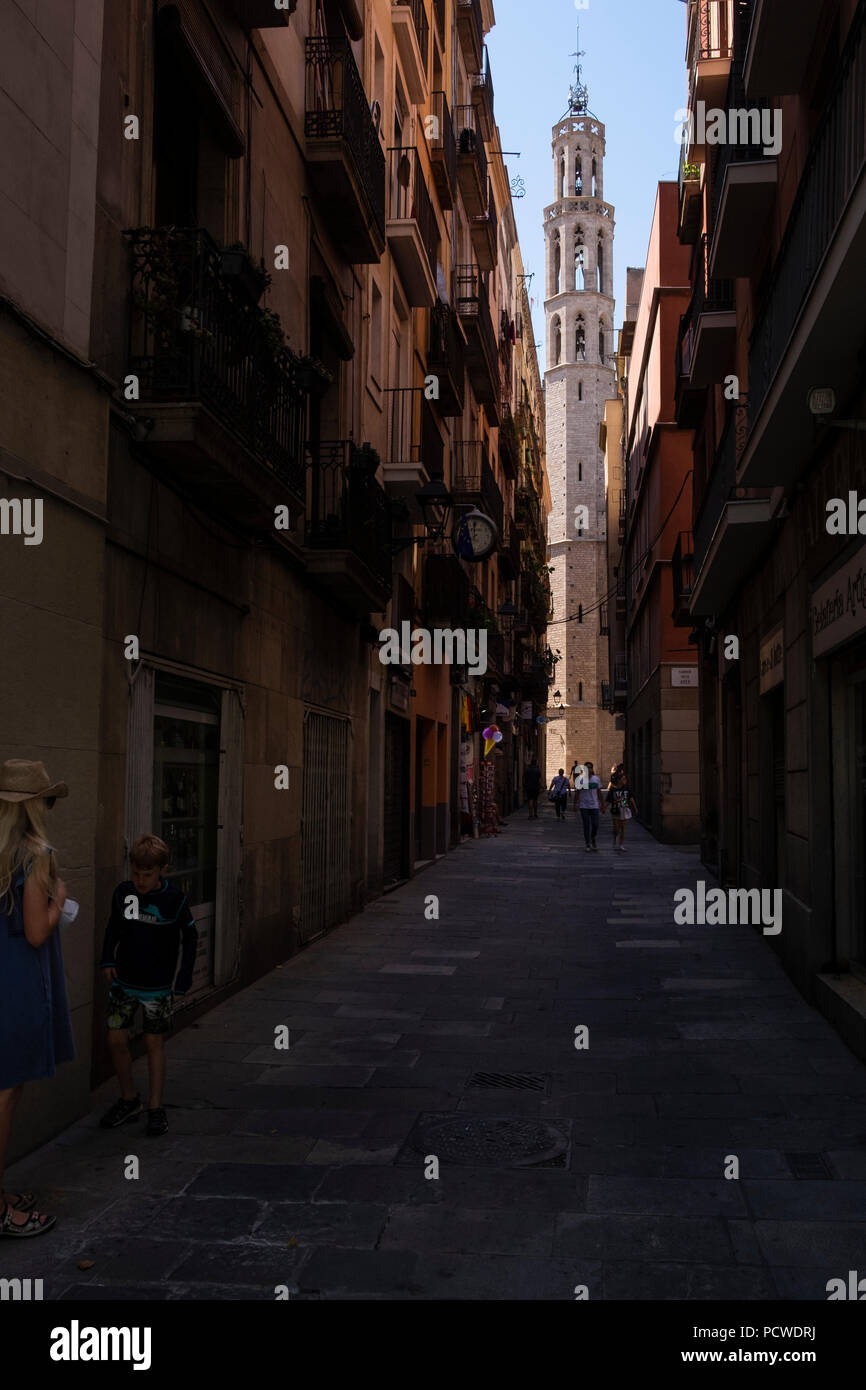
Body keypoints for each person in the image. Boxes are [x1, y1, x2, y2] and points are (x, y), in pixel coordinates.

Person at [0, 759, 74, 1238]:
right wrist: (58, 897)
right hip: (16, 983)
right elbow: (34, 932)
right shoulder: (34, 854)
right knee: (5, 1093)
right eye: (47, 800)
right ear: (32, 808)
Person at [99, 834, 197, 1137]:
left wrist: (183, 979)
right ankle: (129, 1098)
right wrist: (107, 960)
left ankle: (156, 1106)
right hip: (124, 983)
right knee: (116, 1039)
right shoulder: (124, 894)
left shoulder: (174, 901)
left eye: (148, 874)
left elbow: (190, 938)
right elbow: (114, 926)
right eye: (136, 874)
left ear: (162, 870)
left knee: (154, 1043)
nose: (140, 881)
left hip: (157, 987)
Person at [606, 765, 639, 852]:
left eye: (625, 779)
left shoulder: (627, 788)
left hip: (625, 809)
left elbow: (631, 798)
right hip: (616, 810)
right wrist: (604, 807)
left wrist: (635, 808)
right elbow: (609, 800)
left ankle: (621, 844)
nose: (625, 781)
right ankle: (615, 838)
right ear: (619, 780)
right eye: (623, 779)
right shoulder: (613, 790)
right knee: (616, 829)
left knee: (624, 828)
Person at [576, 760, 606, 851]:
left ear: (592, 769)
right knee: (586, 825)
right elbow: (577, 792)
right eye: (587, 767)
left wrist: (602, 804)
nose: (588, 769)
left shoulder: (596, 779)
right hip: (584, 806)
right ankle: (587, 843)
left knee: (595, 824)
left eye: (590, 767)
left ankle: (593, 838)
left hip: (594, 806)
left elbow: (599, 792)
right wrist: (575, 804)